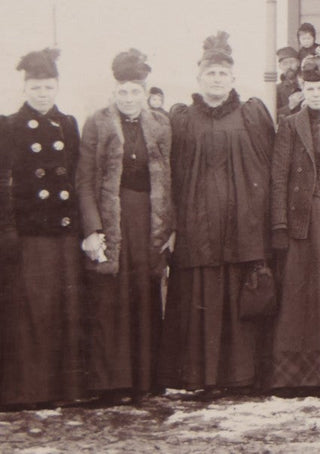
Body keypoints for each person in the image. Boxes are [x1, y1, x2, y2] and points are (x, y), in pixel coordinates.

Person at [162, 31, 276, 393]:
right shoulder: (182, 119)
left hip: (242, 225)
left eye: (223, 74)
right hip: (198, 227)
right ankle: (197, 376)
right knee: (200, 297)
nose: (216, 79)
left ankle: (239, 376)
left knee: (238, 296)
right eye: (210, 73)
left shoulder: (251, 114)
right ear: (199, 78)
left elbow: (269, 167)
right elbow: (170, 172)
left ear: (233, 78)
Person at [76, 48, 174, 406]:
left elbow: (169, 178)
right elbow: (85, 180)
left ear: (145, 92)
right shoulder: (98, 123)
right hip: (111, 218)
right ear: (113, 92)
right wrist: (92, 229)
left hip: (148, 218)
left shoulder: (160, 124)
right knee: (110, 297)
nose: (129, 99)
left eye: (135, 91)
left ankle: (144, 380)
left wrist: (168, 226)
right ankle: (109, 382)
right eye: (123, 92)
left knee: (145, 295)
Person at [0, 48, 87, 409]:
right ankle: (29, 391)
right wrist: (8, 230)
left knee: (65, 309)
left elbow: (78, 177)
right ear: (24, 87)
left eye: (48, 86)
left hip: (63, 233)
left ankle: (66, 391)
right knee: (31, 312)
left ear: (56, 87)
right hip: (31, 234)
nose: (42, 93)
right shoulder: (8, 125)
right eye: (36, 87)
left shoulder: (67, 124)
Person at [268, 53, 320, 395]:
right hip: (301, 217)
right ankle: (292, 377)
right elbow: (278, 177)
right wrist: (279, 224)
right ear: (302, 89)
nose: (317, 93)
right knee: (298, 293)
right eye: (310, 88)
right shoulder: (289, 124)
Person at [276, 47, 302, 117]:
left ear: (298, 63)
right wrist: (290, 106)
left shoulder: (306, 85)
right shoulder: (277, 89)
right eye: (285, 63)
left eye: (292, 62)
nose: (289, 66)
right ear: (280, 66)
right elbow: (273, 115)